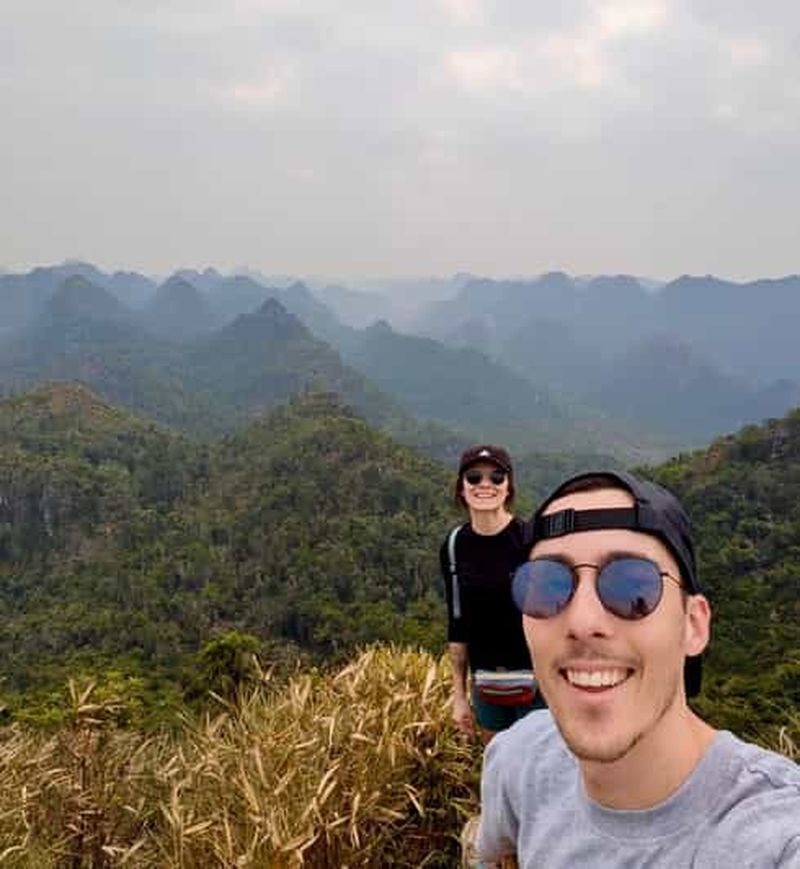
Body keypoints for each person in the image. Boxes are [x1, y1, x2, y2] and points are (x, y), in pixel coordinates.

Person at [477, 470, 800, 867]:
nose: (582, 622)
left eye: (631, 586)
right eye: (547, 586)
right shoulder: (519, 760)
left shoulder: (773, 837)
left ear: (693, 625)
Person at [441, 445, 544, 745]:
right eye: (474, 477)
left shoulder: (529, 541)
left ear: (508, 486)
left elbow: (549, 617)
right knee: (498, 767)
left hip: (537, 686)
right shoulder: (454, 546)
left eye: (496, 476)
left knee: (539, 771)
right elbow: (456, 624)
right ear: (461, 488)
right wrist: (459, 697)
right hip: (486, 686)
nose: (485, 484)